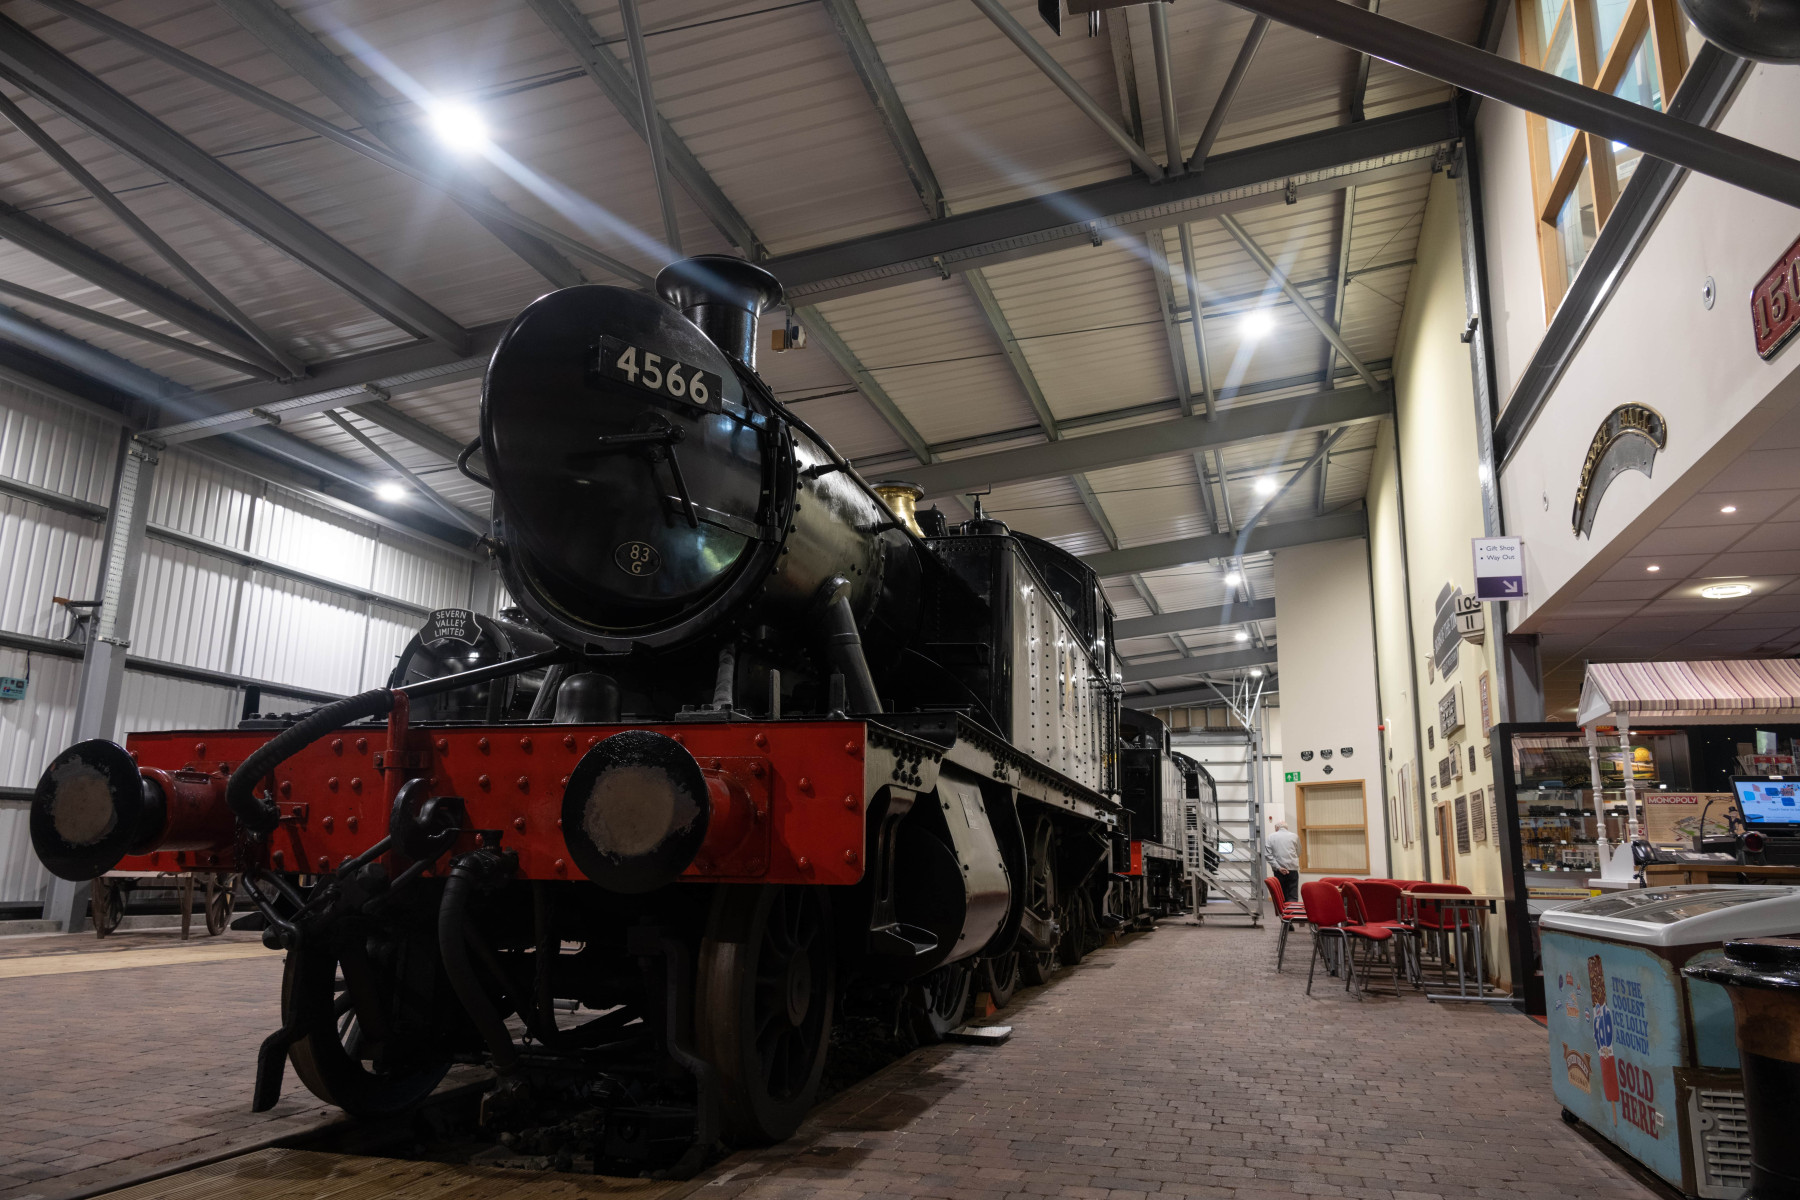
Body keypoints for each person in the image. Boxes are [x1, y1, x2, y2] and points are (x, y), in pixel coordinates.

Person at [1267, 820, 1300, 903]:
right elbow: (1298, 852)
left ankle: (1283, 914)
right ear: (1286, 828)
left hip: (1278, 871)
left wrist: (1279, 867)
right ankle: (1293, 913)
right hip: (1292, 869)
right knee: (1293, 895)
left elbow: (1267, 855)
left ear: (1277, 828)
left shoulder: (1271, 837)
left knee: (1281, 895)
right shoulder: (1294, 836)